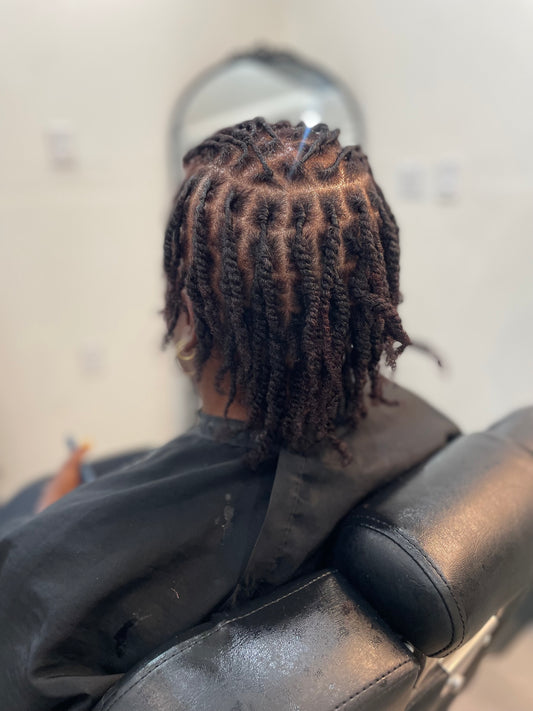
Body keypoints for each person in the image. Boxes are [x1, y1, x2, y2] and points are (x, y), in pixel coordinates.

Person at [0, 118, 459, 710]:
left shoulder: (44, 564)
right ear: (370, 299)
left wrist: (52, 517)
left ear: (188, 315)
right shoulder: (430, 430)